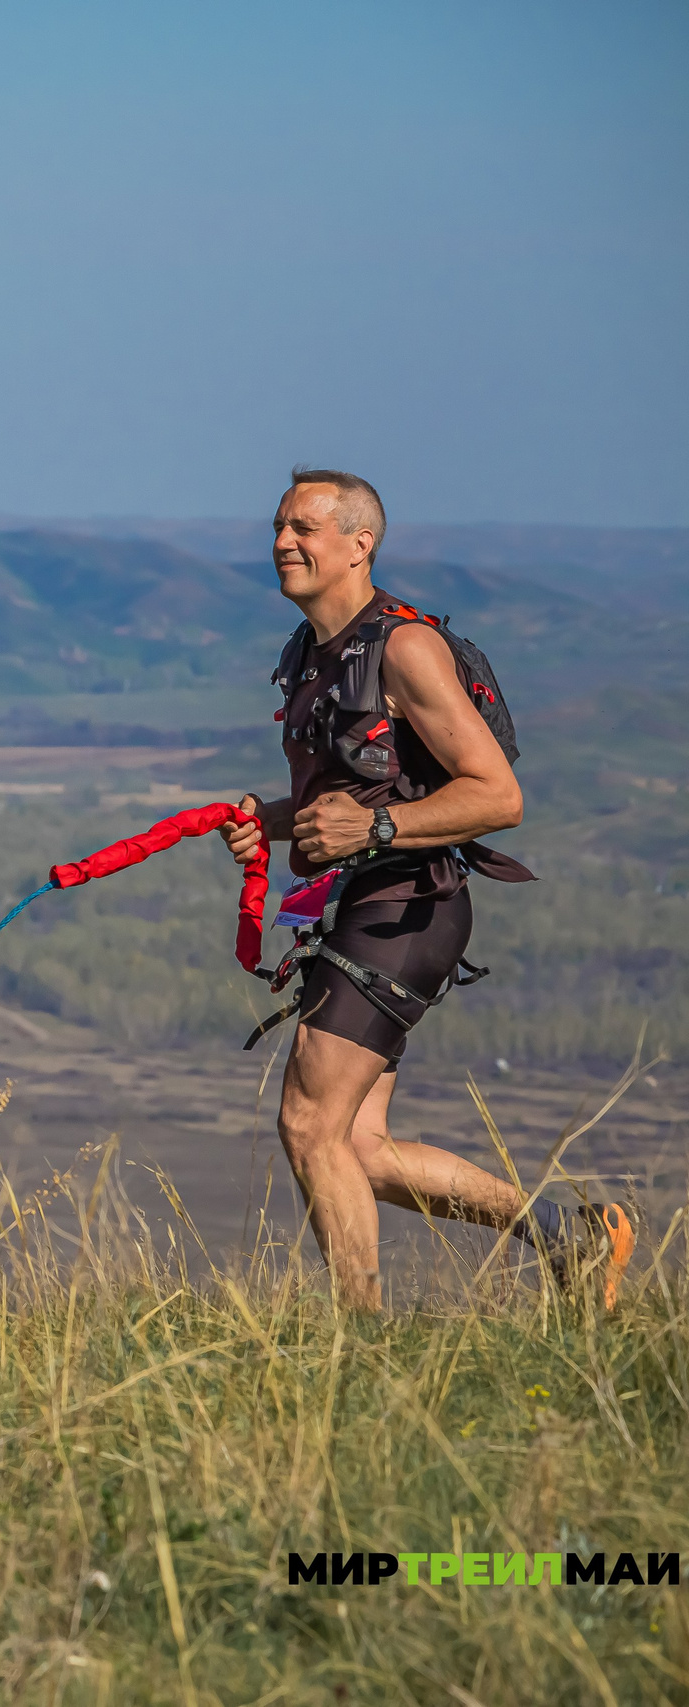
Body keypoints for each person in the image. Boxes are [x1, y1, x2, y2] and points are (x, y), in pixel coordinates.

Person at [218, 468, 632, 1311]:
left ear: (359, 543)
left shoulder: (404, 650)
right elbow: (350, 797)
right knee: (359, 1147)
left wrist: (369, 834)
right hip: (363, 902)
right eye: (278, 526)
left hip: (408, 907)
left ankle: (362, 1346)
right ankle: (570, 1237)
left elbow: (498, 796)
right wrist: (272, 818)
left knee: (307, 1123)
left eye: (305, 527)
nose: (283, 542)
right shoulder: (310, 654)